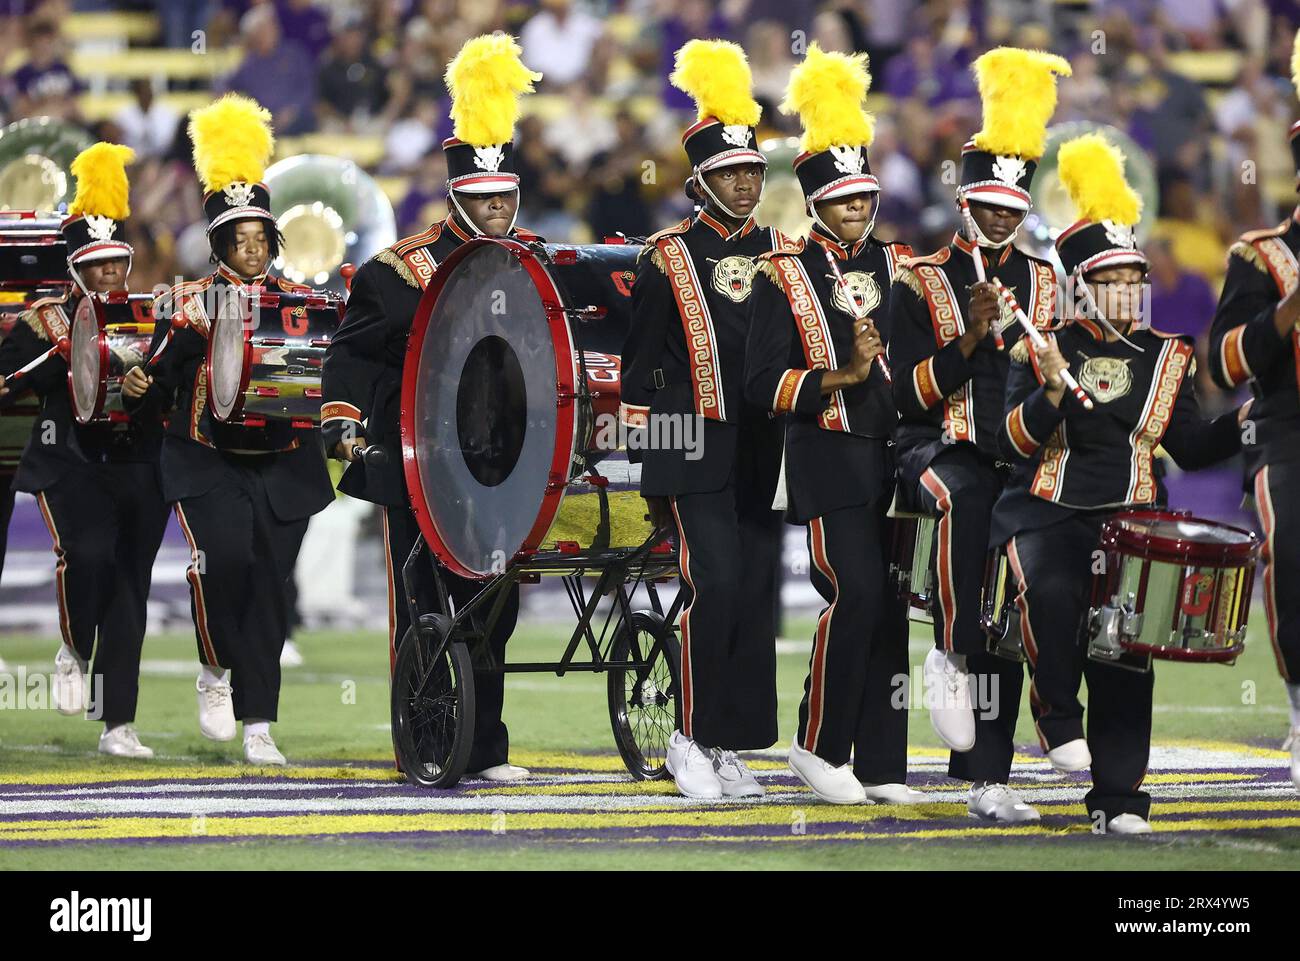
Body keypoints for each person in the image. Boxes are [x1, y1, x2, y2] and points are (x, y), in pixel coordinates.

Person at [991, 133, 1247, 834]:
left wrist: (1250, 419)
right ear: (1079, 285)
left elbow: (1190, 448)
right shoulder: (1040, 345)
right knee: (1052, 592)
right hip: (1042, 510)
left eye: (1133, 275)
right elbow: (1011, 445)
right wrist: (1046, 393)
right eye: (1110, 278)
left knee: (1125, 649)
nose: (1128, 289)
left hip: (1129, 519)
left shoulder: (1169, 355)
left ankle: (1118, 799)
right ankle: (1055, 717)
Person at [320, 34, 543, 782]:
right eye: (484, 199)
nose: (497, 209)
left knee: (495, 605)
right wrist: (343, 418)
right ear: (456, 196)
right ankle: (424, 739)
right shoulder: (398, 272)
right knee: (425, 600)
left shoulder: (532, 262)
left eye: (506, 197)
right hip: (417, 460)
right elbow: (349, 353)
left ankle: (487, 747)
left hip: (503, 462)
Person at [123, 95, 333, 766]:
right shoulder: (187, 303)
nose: (251, 249)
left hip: (283, 460)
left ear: (273, 242)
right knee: (226, 564)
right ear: (218, 244)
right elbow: (157, 371)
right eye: (238, 239)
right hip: (207, 457)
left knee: (271, 585)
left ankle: (259, 721)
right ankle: (214, 667)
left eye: (260, 238)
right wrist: (138, 383)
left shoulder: (301, 305)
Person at [888, 48, 1069, 822]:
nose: (1000, 215)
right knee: (967, 496)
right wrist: (970, 339)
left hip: (1014, 455)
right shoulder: (921, 277)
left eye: (1012, 205)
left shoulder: (1047, 279)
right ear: (964, 199)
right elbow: (906, 394)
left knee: (1015, 577)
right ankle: (947, 652)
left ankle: (990, 775)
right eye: (989, 202)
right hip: (929, 452)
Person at [745, 45, 923, 805]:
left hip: (896, 455)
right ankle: (816, 745)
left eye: (864, 196)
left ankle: (882, 766)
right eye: (842, 198)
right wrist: (841, 376)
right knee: (852, 591)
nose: (857, 207)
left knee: (889, 609)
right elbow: (759, 382)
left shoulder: (902, 266)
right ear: (814, 202)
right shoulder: (779, 273)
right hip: (825, 452)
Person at [620, 39, 783, 800]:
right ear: (700, 181)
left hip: (763, 449)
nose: (746, 184)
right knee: (712, 578)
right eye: (730, 174)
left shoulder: (788, 255)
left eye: (752, 171)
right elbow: (638, 368)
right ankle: (686, 734)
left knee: (752, 590)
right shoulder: (667, 257)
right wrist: (655, 459)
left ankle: (728, 742)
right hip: (688, 448)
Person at [0, 143, 167, 758]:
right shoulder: (41, 324)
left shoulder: (154, 318)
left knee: (131, 585)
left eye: (116, 263)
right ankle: (72, 646)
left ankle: (117, 723)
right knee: (90, 552)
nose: (109, 275)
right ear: (73, 269)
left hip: (137, 463)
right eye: (95, 266)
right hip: (68, 459)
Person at [1206, 29, 1300, 793]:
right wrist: (1290, 309)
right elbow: (1225, 361)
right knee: (1295, 554)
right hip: (1288, 430)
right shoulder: (1261, 256)